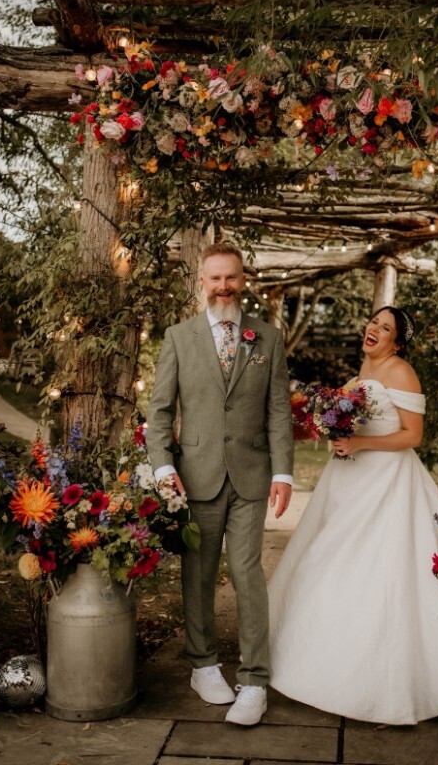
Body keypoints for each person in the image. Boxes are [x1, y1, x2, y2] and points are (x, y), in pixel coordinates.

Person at [268, 305, 438, 725]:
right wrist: (337, 429)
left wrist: (362, 445)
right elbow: (351, 421)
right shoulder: (359, 372)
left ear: (397, 342)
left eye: (385, 328)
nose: (374, 329)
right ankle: (316, 658)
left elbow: (413, 435)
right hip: (347, 481)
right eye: (373, 322)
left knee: (384, 570)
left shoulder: (401, 372)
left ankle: (389, 680)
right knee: (326, 559)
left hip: (387, 482)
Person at [146, 241, 294, 726]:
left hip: (252, 476)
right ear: (203, 282)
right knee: (199, 574)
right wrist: (164, 468)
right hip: (195, 478)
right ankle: (203, 663)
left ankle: (254, 680)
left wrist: (283, 471)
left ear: (243, 280)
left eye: (231, 277)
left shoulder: (267, 338)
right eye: (215, 278)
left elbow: (277, 410)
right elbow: (161, 411)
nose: (223, 286)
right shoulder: (179, 337)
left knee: (249, 575)